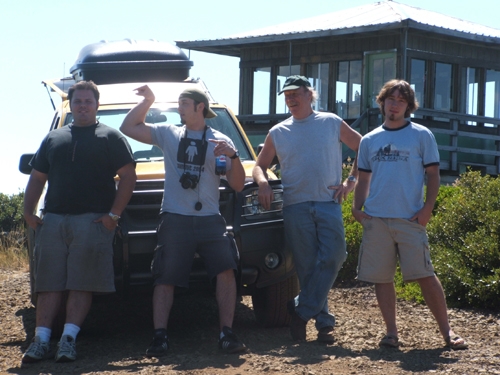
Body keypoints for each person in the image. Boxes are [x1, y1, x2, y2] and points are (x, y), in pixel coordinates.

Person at [120, 85, 247, 357]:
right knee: (165, 276)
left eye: (185, 103)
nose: (179, 108)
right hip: (175, 217)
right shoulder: (169, 134)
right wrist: (149, 101)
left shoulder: (220, 140)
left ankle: (227, 333)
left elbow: (237, 185)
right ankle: (160, 337)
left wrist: (233, 156)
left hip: (210, 218)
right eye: (178, 103)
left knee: (226, 271)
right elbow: (128, 127)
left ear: (200, 107)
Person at [22, 80, 137, 363]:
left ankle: (68, 340)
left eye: (88, 101)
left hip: (93, 221)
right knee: (48, 283)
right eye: (78, 101)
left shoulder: (111, 137)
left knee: (81, 283)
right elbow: (37, 178)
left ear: (97, 104)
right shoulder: (53, 138)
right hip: (53, 220)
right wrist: (28, 212)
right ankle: (40, 341)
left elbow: (128, 176)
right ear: (70, 105)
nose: (83, 106)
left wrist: (113, 216)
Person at [352, 79, 468, 350]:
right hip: (376, 219)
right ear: (382, 102)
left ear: (408, 106)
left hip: (410, 218)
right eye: (390, 100)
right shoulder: (369, 140)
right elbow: (364, 179)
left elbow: (433, 174)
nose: (395, 105)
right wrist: (357, 210)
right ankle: (391, 333)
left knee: (426, 275)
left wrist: (428, 208)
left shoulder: (421, 135)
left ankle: (447, 332)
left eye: (400, 101)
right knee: (382, 279)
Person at [252, 75, 361, 342]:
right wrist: (263, 183)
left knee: (336, 255)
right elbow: (258, 165)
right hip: (295, 206)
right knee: (307, 268)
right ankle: (323, 324)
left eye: (295, 93)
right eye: (286, 95)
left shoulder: (331, 122)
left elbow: (364, 146)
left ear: (309, 94)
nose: (290, 99)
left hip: (328, 203)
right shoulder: (278, 132)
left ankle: (300, 310)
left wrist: (351, 181)